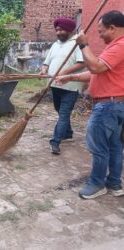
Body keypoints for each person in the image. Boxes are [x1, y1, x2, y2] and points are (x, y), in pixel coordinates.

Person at [56, 10, 124, 199]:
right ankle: (115, 184)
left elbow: (95, 67)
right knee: (115, 147)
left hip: (107, 107)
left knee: (99, 148)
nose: (100, 35)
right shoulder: (116, 46)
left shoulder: (120, 46)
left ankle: (97, 184)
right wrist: (71, 76)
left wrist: (83, 44)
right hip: (115, 105)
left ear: (113, 28)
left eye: (101, 31)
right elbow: (97, 72)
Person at [40, 17, 85, 155]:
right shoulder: (55, 45)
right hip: (54, 85)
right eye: (57, 30)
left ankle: (55, 142)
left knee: (64, 114)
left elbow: (82, 63)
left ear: (70, 30)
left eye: (61, 30)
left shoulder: (78, 43)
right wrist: (43, 70)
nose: (58, 32)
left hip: (70, 87)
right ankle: (68, 132)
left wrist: (64, 72)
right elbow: (46, 63)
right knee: (59, 111)